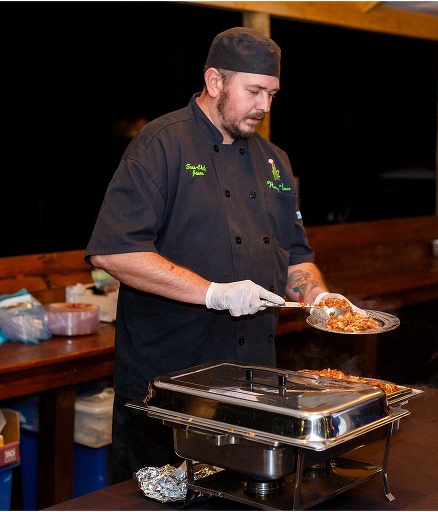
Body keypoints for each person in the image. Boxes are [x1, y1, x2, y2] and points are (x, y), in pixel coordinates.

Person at [85, 27, 357, 483]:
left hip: (255, 384)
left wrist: (320, 298)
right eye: (254, 91)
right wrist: (214, 293)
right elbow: (115, 252)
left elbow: (295, 255)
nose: (265, 106)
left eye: (272, 94)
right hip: (170, 387)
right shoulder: (161, 144)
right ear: (215, 82)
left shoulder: (276, 161)